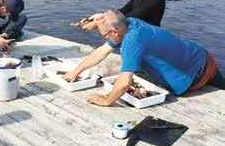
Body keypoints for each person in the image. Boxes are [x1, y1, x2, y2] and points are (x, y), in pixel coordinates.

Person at [64, 10, 224, 106]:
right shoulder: (130, 22)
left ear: (115, 32)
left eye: (105, 35)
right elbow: (101, 52)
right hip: (202, 56)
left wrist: (106, 99)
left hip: (195, 77)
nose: (105, 38)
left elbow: (124, 82)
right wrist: (76, 71)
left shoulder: (132, 41)